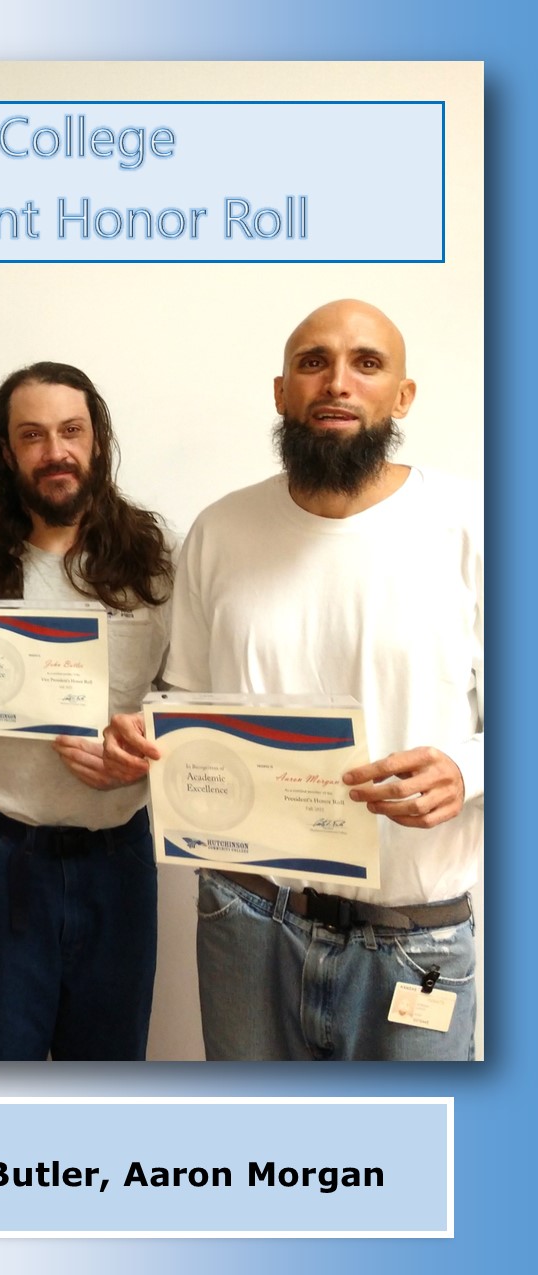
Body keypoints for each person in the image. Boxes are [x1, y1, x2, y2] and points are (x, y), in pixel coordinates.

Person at [107, 299, 483, 1061]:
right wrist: (143, 736)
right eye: (313, 362)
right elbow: (184, 700)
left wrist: (469, 769)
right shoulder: (221, 528)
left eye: (366, 363)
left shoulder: (475, 521)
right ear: (282, 392)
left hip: (414, 941)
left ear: (403, 396)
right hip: (247, 920)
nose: (337, 382)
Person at [0, 362, 174, 1061]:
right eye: (32, 435)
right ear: (6, 453)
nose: (55, 451)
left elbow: (187, 706)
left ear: (97, 441)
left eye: (71, 431)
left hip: (119, 859)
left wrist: (145, 758)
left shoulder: (157, 562)